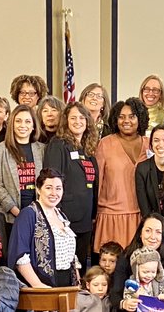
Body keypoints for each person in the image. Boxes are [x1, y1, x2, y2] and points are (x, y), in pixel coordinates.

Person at [45, 102, 99, 265]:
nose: (78, 121)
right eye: (73, 117)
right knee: (65, 265)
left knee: (81, 264)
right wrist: (56, 215)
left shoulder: (87, 148)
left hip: (85, 218)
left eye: (82, 117)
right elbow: (51, 180)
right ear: (66, 120)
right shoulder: (58, 144)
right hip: (65, 217)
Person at [9, 168, 81, 287]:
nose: (54, 193)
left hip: (67, 283)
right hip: (42, 286)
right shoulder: (28, 214)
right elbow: (20, 256)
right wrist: (38, 285)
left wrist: (77, 281)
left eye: (58, 188)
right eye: (48, 188)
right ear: (38, 189)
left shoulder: (62, 215)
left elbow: (72, 256)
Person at [95, 98, 150, 251]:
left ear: (140, 118)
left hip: (140, 216)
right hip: (111, 217)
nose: (126, 120)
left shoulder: (149, 144)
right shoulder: (105, 143)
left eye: (132, 116)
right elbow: (97, 182)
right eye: (121, 116)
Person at [111, 214, 164, 311]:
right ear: (140, 234)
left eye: (158, 232)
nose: (153, 237)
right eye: (148, 231)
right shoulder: (126, 257)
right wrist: (123, 303)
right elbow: (115, 294)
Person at [0, 105, 46, 233]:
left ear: (33, 126)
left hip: (38, 216)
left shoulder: (42, 149)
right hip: (10, 218)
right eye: (18, 121)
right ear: (12, 124)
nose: (23, 125)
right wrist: (17, 212)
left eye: (27, 121)